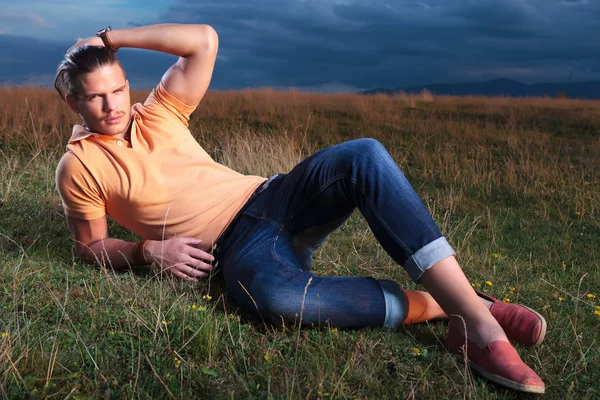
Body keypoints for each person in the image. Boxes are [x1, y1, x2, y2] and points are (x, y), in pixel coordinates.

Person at [54, 23, 546, 394]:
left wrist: (109, 36)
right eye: (95, 97)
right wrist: (146, 252)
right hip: (238, 249)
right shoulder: (79, 166)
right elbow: (90, 246)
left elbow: (203, 40)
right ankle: (455, 308)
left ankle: (477, 326)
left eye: (118, 88)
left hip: (276, 196)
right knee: (274, 301)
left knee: (364, 154)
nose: (113, 105)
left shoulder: (158, 111)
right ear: (74, 103)